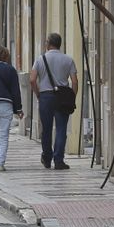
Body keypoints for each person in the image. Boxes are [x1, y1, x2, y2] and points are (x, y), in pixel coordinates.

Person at [29, 33, 79, 170]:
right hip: (62, 96)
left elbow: (32, 79)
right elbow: (74, 82)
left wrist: (38, 93)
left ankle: (46, 157)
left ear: (48, 43)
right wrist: (72, 97)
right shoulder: (68, 60)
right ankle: (59, 160)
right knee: (61, 129)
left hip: (45, 96)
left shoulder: (40, 59)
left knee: (46, 129)